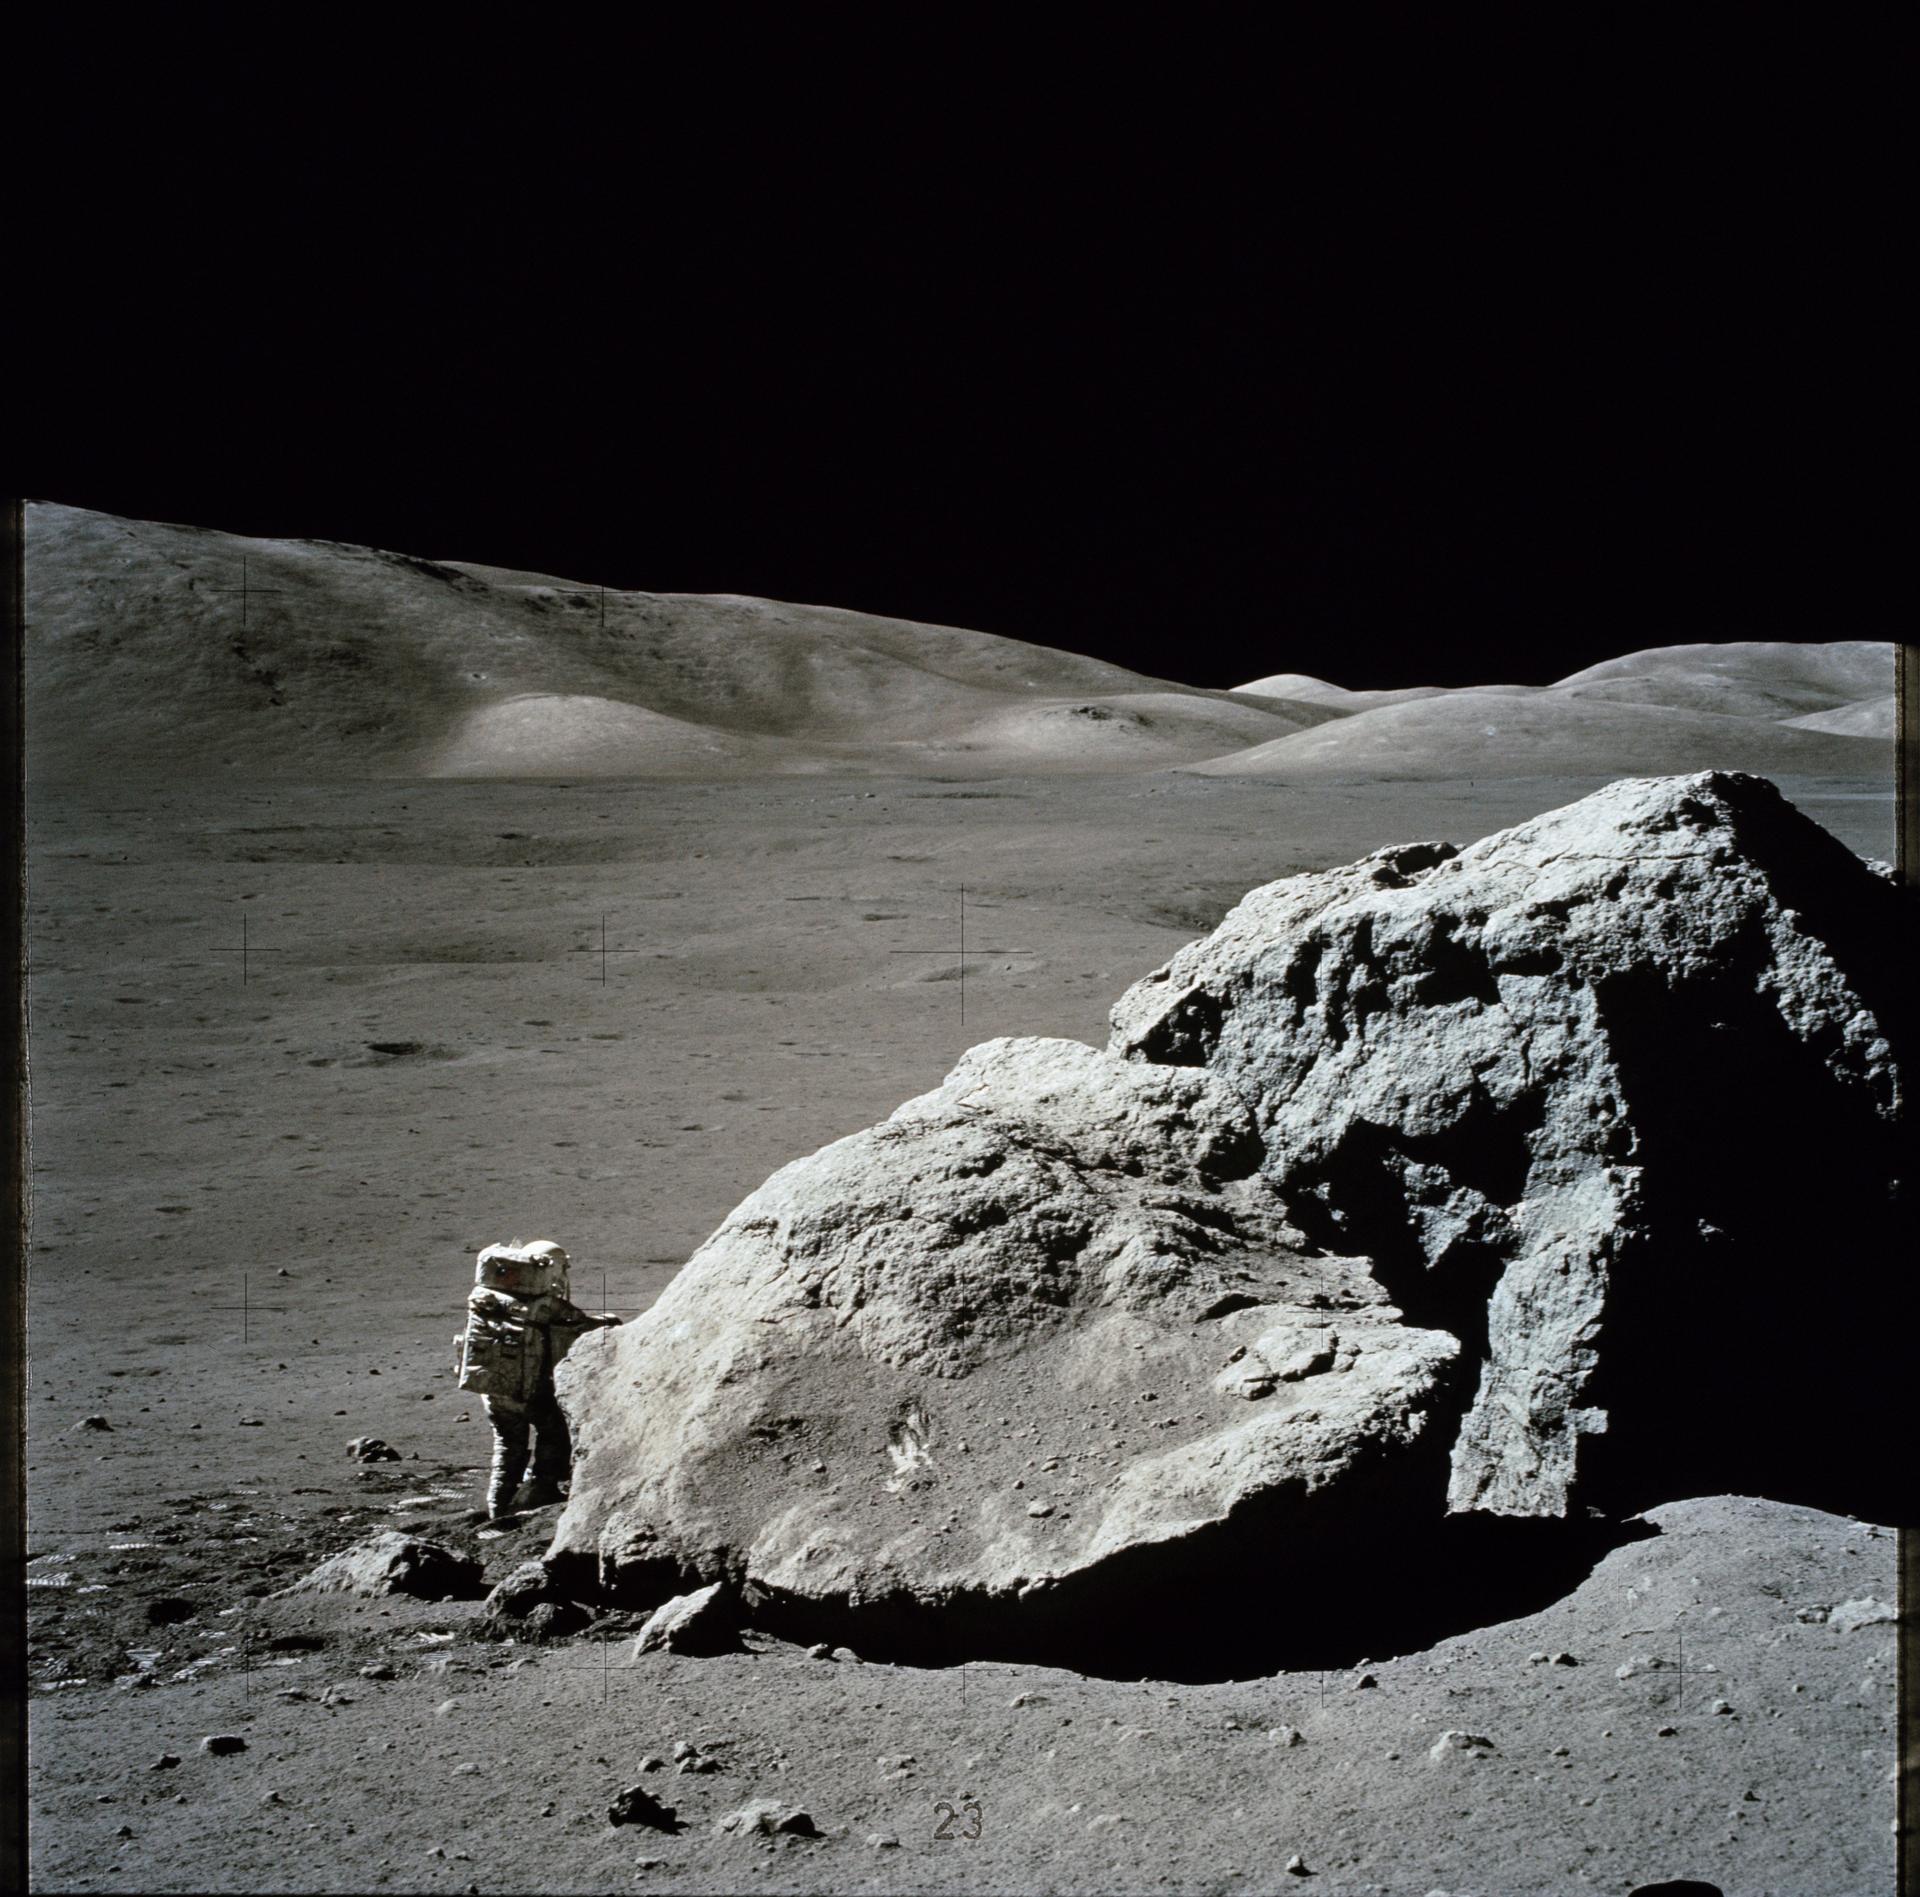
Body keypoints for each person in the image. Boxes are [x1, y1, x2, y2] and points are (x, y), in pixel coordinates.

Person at [454, 1239, 621, 1521]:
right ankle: (540, 1489)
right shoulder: (546, 1304)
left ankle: (498, 1508)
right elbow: (580, 1323)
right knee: (555, 1433)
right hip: (529, 1391)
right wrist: (609, 1321)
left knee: (507, 1447)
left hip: (495, 1390)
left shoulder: (492, 1299)